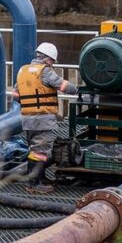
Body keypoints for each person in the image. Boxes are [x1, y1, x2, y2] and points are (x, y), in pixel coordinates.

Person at [13, 42, 78, 193]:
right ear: (48, 59)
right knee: (39, 151)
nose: (53, 64)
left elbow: (16, 95)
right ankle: (33, 184)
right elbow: (62, 86)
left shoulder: (23, 70)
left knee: (35, 149)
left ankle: (40, 178)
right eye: (53, 62)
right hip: (42, 118)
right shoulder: (45, 71)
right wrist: (77, 90)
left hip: (28, 118)